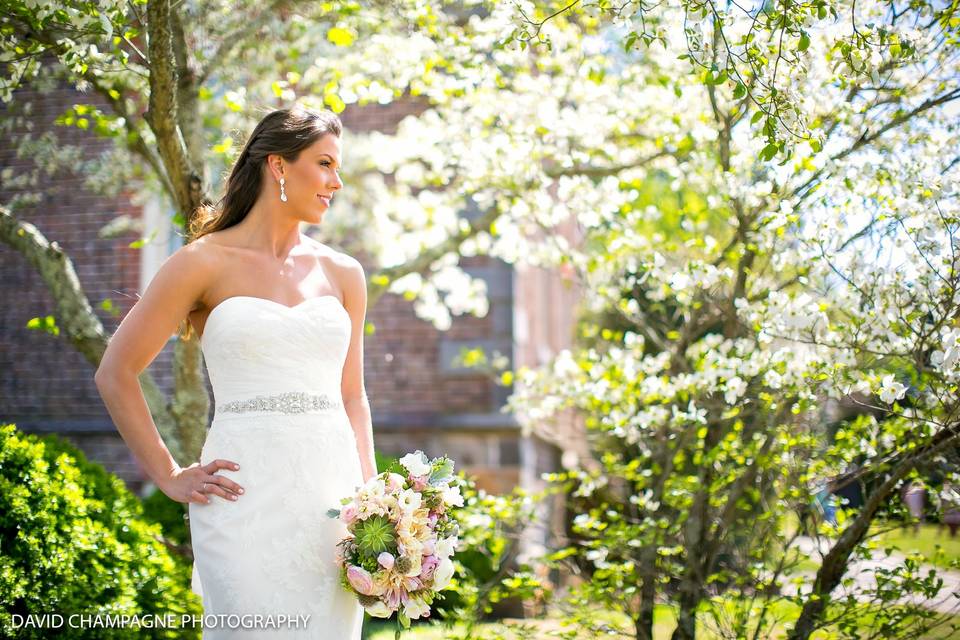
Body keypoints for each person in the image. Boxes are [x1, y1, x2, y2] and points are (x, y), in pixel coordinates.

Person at [95, 107, 376, 638]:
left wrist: (373, 500)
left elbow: (352, 396)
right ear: (279, 166)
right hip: (240, 500)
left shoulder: (344, 275)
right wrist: (169, 474)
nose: (336, 182)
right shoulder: (202, 262)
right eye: (324, 164)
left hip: (332, 507)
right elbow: (116, 372)